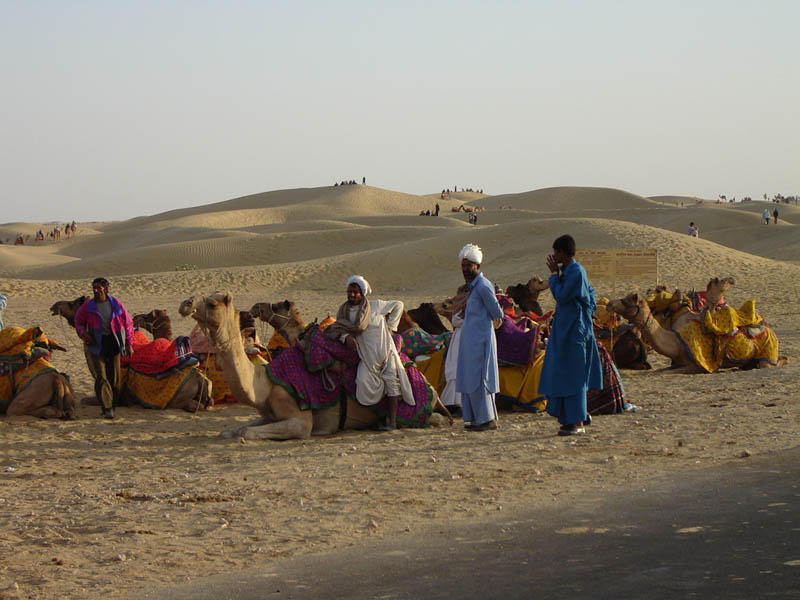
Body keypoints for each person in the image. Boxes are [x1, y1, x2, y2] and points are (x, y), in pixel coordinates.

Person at [325, 275, 415, 431]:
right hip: (366, 356)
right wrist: (346, 337)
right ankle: (373, 417)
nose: (352, 295)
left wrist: (390, 327)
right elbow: (338, 329)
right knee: (362, 382)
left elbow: (398, 305)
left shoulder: (376, 306)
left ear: (362, 293)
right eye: (349, 291)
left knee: (392, 382)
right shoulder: (344, 312)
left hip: (385, 351)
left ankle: (392, 423)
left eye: (355, 292)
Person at [538, 234, 602, 436]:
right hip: (566, 329)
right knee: (563, 372)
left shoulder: (575, 272)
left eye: (556, 252)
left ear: (564, 253)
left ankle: (577, 421)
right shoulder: (568, 271)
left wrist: (553, 276)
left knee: (575, 375)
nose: (554, 255)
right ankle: (568, 418)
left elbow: (562, 295)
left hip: (575, 331)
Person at [456, 244, 504, 431]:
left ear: (478, 266)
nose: (466, 269)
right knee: (469, 377)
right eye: (464, 265)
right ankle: (476, 419)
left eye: (470, 265)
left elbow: (497, 312)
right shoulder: (472, 288)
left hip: (481, 341)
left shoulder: (483, 286)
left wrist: (486, 331)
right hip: (471, 341)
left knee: (480, 379)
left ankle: (487, 420)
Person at [74, 278, 135, 419]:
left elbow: (128, 323)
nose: (95, 290)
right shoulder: (88, 306)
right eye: (94, 288)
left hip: (114, 342)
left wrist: (129, 343)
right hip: (96, 343)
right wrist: (84, 334)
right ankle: (107, 408)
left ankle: (112, 405)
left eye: (98, 288)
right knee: (101, 377)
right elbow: (78, 321)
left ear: (105, 289)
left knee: (114, 378)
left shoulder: (116, 304)